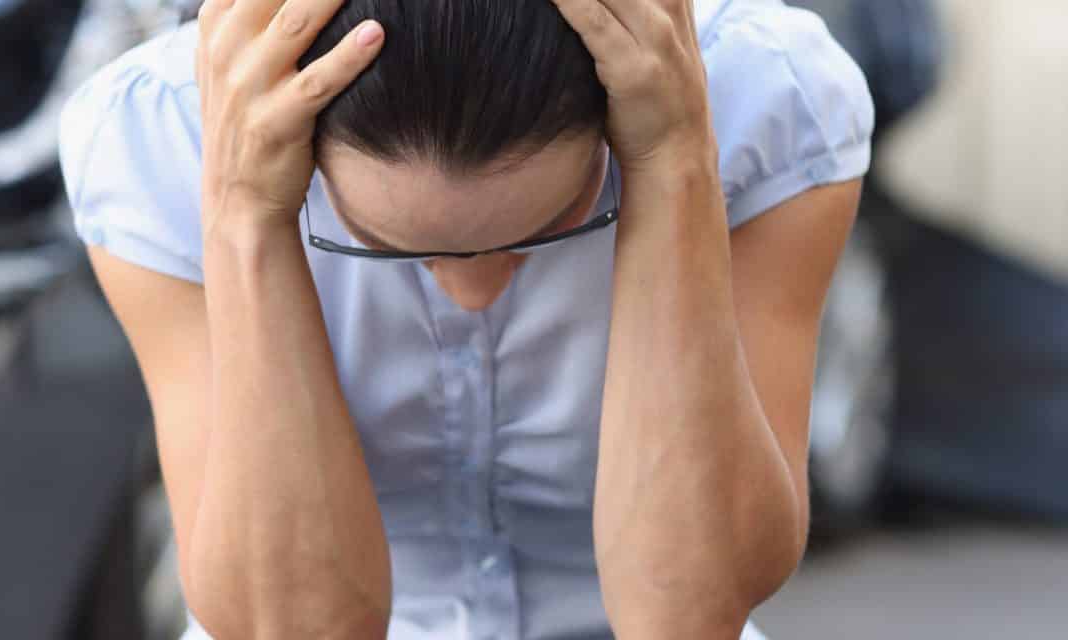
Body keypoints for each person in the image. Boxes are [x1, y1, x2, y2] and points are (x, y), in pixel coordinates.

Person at [59, 0, 872, 637]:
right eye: (381, 244)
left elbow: (687, 618)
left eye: (551, 228)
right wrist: (244, 218)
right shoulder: (160, 140)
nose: (474, 288)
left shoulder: (769, 105)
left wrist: (672, 166)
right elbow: (296, 631)